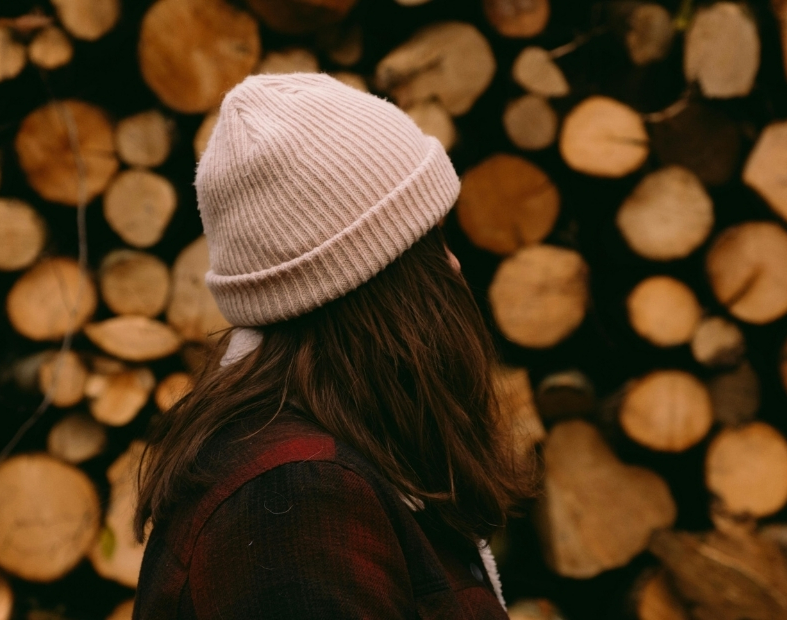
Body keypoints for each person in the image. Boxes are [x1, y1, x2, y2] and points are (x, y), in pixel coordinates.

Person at [132, 72, 532, 619]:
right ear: (376, 280)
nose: (457, 267)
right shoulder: (293, 501)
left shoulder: (338, 462)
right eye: (434, 242)